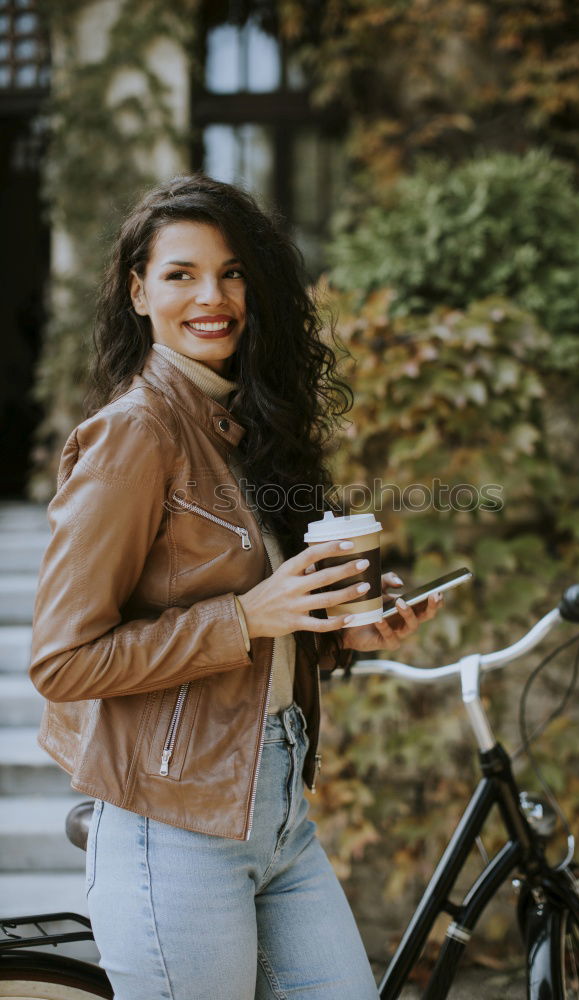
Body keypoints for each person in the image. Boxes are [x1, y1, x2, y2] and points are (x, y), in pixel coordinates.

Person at [29, 174, 444, 1000]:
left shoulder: (240, 423)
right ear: (139, 292)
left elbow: (244, 631)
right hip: (172, 828)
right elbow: (63, 661)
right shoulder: (132, 436)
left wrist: (336, 631)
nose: (212, 296)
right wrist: (247, 617)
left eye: (232, 272)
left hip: (279, 813)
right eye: (181, 274)